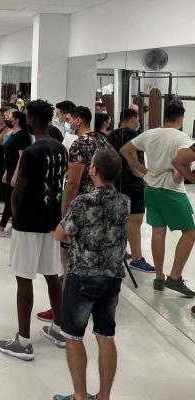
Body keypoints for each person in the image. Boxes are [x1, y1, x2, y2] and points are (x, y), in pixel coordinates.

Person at [53, 149, 129, 400]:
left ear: (93, 170)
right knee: (106, 335)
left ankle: (79, 396)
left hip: (83, 276)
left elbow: (61, 233)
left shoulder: (83, 202)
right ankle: (104, 395)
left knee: (73, 337)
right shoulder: (124, 201)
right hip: (112, 277)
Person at [0, 100, 68, 362]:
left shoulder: (32, 152)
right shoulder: (60, 149)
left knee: (24, 277)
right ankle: (59, 329)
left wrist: (15, 215)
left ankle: (24, 341)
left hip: (28, 223)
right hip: (51, 221)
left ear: (33, 120)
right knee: (52, 275)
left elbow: (19, 189)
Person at [38, 106, 111, 322]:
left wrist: (65, 214)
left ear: (78, 120)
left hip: (82, 208)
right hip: (102, 204)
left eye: (69, 118)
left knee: (68, 260)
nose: (67, 122)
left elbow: (73, 182)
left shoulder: (80, 144)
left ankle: (66, 308)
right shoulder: (102, 140)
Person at [121, 103, 195, 297]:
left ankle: (159, 277)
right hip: (171, 191)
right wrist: (180, 175)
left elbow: (125, 150)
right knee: (190, 233)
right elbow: (182, 160)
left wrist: (140, 169)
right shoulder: (182, 137)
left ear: (165, 116)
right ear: (180, 119)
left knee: (158, 231)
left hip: (151, 189)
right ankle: (175, 278)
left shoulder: (150, 134)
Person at [108, 108, 154, 272]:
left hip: (114, 183)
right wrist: (146, 175)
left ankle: (120, 251)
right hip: (132, 184)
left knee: (119, 220)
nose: (138, 122)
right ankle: (137, 259)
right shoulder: (133, 136)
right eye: (137, 119)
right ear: (133, 118)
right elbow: (135, 164)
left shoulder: (111, 135)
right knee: (135, 221)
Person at [0, 110, 31, 237]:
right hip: (10, 170)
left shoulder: (23, 135)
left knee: (10, 200)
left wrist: (15, 175)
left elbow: (21, 157)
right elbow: (8, 154)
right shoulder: (13, 133)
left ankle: (1, 228)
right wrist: (6, 171)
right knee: (10, 199)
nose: (7, 119)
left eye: (9, 117)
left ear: (16, 120)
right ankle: (12, 226)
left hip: (16, 173)